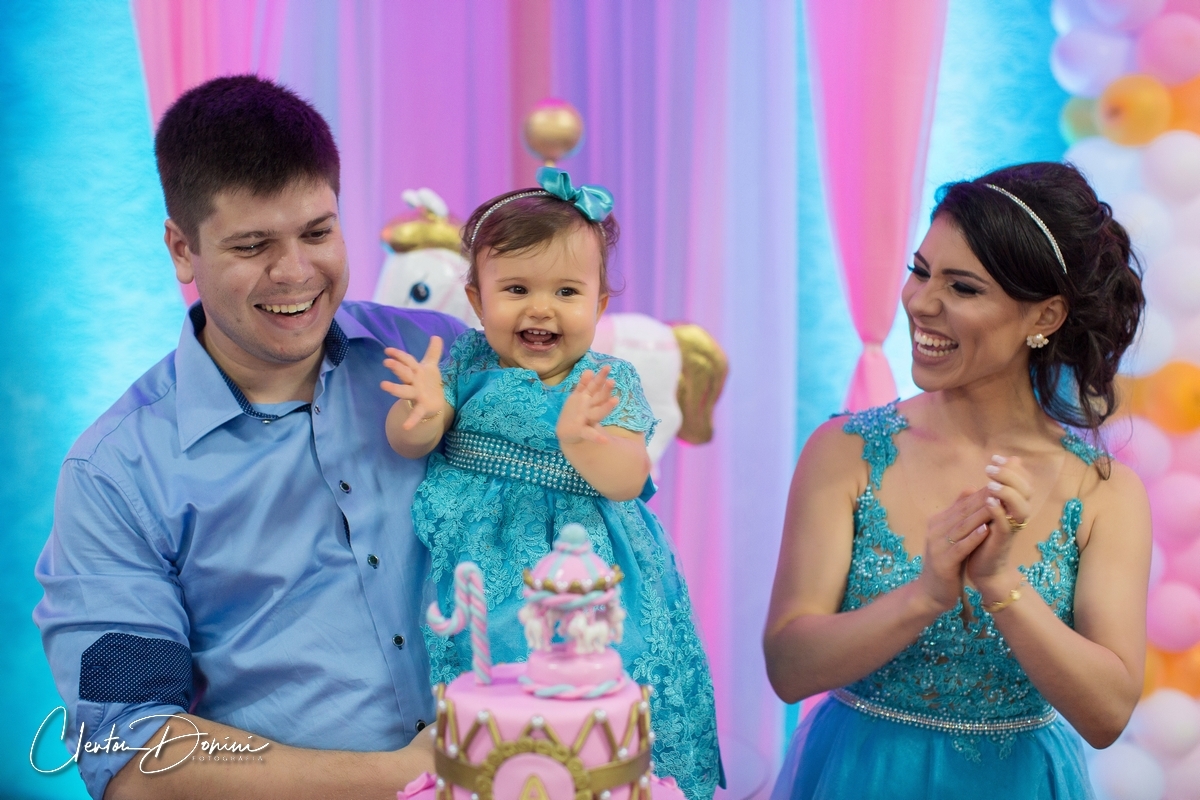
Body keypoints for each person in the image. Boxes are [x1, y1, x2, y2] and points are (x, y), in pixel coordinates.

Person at [33, 76, 464, 800]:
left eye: (317, 232)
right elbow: (131, 752)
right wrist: (394, 778)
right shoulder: (117, 475)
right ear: (181, 249)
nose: (295, 273)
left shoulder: (442, 359)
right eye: (253, 245)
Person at [764, 162, 1151, 799]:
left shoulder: (1104, 493)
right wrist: (925, 595)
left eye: (963, 288)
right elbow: (788, 667)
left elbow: (1107, 716)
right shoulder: (844, 450)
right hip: (861, 776)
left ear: (1045, 316)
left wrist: (998, 583)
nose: (921, 302)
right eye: (921, 271)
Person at [378, 168, 722, 799]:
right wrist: (421, 412)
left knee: (591, 716)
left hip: (583, 571)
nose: (541, 308)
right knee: (489, 715)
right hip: (478, 566)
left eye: (567, 290)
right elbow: (410, 441)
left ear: (599, 304)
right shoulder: (465, 362)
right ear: (478, 301)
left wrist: (584, 440)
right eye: (516, 289)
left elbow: (629, 477)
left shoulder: (604, 381)